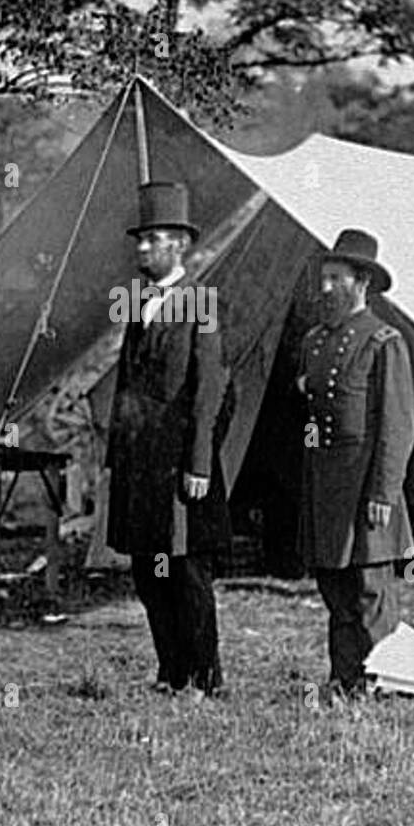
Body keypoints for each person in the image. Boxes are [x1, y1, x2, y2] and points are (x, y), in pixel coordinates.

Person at [106, 181, 231, 701]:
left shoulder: (200, 304)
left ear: (178, 244)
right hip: (139, 465)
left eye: (152, 240)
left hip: (181, 465)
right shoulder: (136, 306)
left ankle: (205, 677)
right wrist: (116, 456)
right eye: (139, 240)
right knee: (148, 570)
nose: (141, 249)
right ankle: (171, 670)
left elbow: (209, 391)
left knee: (186, 572)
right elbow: (125, 387)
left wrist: (198, 463)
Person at [296, 230, 414, 702]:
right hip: (328, 486)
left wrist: (384, 493)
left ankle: (381, 680)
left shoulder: (384, 342)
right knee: (336, 588)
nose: (325, 287)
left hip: (366, 486)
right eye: (323, 277)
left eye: (335, 278)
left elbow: (397, 426)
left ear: (361, 281)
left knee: (370, 590)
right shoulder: (314, 341)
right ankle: (344, 678)